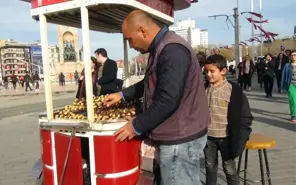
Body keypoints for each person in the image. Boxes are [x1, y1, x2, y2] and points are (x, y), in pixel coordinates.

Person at [103, 10, 210, 185]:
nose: (130, 45)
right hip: (178, 133)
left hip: (180, 138)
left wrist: (136, 126)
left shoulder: (172, 50)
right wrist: (121, 95)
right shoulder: (161, 47)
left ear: (142, 31)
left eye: (129, 39)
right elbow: (150, 82)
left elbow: (168, 100)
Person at [204, 54, 253, 185]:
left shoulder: (233, 90)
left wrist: (241, 137)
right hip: (209, 137)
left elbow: (245, 117)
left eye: (212, 71)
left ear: (223, 71)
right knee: (210, 167)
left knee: (229, 169)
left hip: (227, 138)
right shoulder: (204, 89)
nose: (208, 74)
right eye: (206, 71)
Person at [281, 50, 296, 123]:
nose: (293, 56)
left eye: (295, 55)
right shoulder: (287, 65)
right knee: (293, 99)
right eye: (292, 55)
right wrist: (282, 86)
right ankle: (293, 115)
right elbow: (283, 76)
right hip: (291, 84)